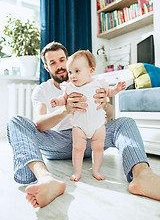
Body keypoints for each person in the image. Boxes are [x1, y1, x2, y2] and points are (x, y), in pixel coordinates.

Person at [7, 41, 160, 209]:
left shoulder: (93, 82)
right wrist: (65, 110)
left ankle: (142, 175)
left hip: (91, 137)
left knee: (126, 122)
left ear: (68, 59)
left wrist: (104, 103)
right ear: (46, 67)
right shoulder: (42, 90)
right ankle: (46, 180)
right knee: (15, 121)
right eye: (52, 63)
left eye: (62, 59)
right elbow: (39, 124)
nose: (59, 66)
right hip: (57, 143)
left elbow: (110, 115)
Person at [50, 50, 126, 181]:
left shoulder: (99, 83)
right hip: (79, 125)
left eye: (77, 71)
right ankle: (77, 172)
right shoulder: (70, 87)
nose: (72, 75)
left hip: (98, 125)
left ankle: (96, 170)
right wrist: (58, 101)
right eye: (70, 72)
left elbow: (109, 92)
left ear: (91, 71)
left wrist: (116, 89)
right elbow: (64, 99)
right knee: (77, 149)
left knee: (98, 148)